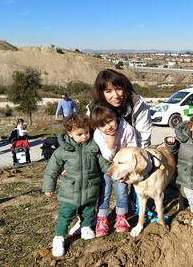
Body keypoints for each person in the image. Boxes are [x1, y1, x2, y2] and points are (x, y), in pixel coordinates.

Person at [42, 113, 110, 257]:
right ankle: (59, 237)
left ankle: (85, 228)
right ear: (70, 133)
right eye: (80, 134)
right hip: (70, 192)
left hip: (90, 189)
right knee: (65, 215)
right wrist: (49, 187)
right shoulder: (63, 150)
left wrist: (112, 171)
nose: (85, 136)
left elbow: (102, 162)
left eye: (87, 132)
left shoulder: (93, 146)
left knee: (88, 211)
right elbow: (52, 169)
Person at [87, 69, 152, 215]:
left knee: (137, 173)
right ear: (101, 93)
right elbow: (87, 138)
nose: (115, 95)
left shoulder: (137, 105)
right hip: (104, 155)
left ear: (125, 88)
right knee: (98, 182)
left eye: (118, 88)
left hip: (131, 151)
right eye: (108, 91)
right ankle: (88, 216)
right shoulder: (94, 109)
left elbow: (143, 138)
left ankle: (138, 203)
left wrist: (132, 166)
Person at [91, 105, 138, 237]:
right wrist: (111, 142)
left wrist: (128, 170)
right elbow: (108, 156)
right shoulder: (98, 134)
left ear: (116, 117)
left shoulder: (127, 129)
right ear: (98, 127)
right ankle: (102, 219)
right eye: (103, 125)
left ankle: (121, 217)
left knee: (121, 190)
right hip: (106, 164)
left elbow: (133, 149)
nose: (108, 127)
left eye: (110, 121)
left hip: (122, 166)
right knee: (104, 191)